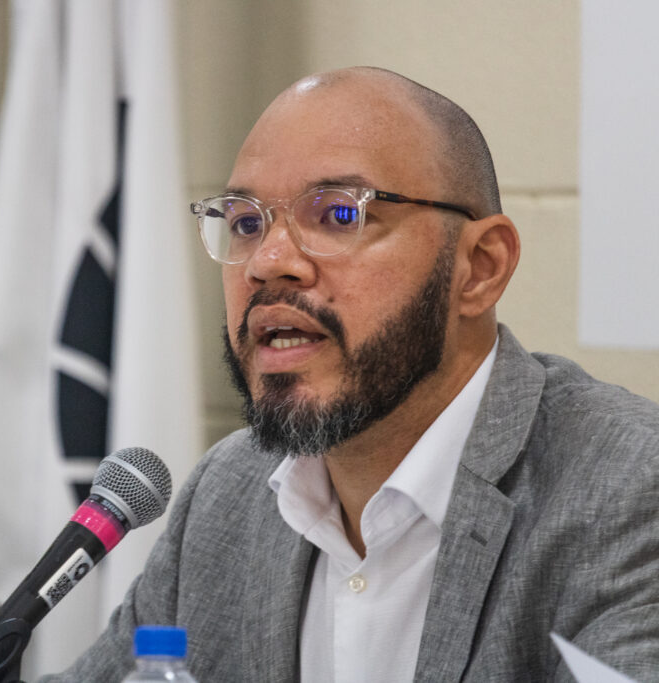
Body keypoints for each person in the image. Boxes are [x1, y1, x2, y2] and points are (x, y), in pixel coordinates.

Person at [41, 67, 659, 681]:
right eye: (247, 223)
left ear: (479, 268)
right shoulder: (225, 496)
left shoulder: (630, 487)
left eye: (339, 215)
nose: (269, 263)